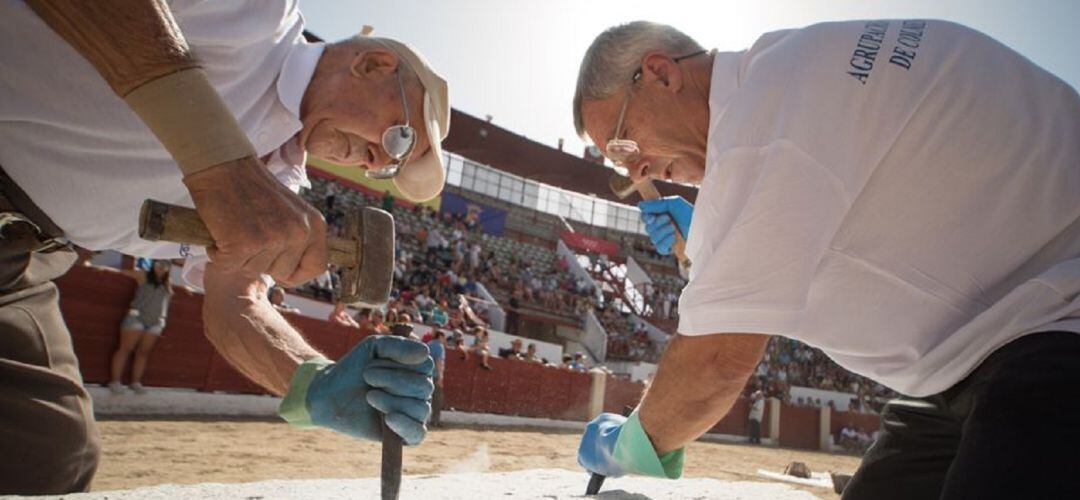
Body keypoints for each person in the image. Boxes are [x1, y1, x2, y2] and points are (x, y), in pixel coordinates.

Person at [573, 20, 1080, 499]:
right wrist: (710, 242)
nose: (637, 167)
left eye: (623, 143)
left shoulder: (764, 129)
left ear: (661, 73)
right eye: (620, 165)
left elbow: (715, 365)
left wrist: (629, 445)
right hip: (970, 358)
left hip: (1053, 331)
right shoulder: (786, 78)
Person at [0, 1, 450, 493]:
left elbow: (235, 300)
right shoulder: (256, 13)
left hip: (20, 261)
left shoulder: (278, 184)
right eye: (402, 139)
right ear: (371, 64)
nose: (374, 162)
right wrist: (219, 163)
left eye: (388, 168)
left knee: (50, 456)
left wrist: (316, 381)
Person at [108, 259, 174, 395]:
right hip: (137, 317)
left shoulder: (167, 283)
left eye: (165, 265)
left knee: (143, 353)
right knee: (125, 349)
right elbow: (122, 272)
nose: (162, 267)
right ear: (153, 264)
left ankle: (135, 383)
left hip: (156, 322)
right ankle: (115, 382)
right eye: (159, 263)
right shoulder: (143, 275)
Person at [426, 330, 447, 427]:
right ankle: (435, 421)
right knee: (437, 400)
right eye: (444, 337)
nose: (444, 340)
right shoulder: (439, 346)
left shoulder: (428, 344)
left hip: (425, 374)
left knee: (425, 398)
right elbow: (439, 361)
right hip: (434, 376)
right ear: (440, 337)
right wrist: (440, 377)